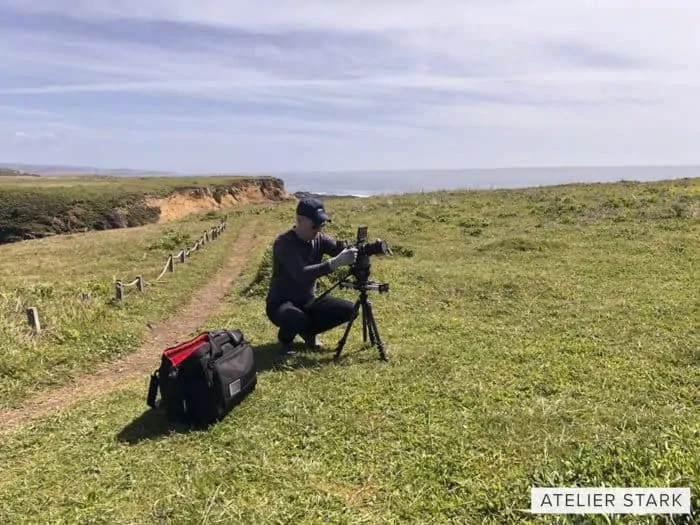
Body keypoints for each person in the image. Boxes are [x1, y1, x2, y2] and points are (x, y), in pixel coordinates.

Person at [265, 197, 359, 356]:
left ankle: (308, 332)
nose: (318, 230)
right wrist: (334, 263)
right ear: (300, 220)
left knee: (350, 310)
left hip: (308, 301)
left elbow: (339, 251)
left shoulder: (319, 238)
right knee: (293, 315)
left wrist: (362, 250)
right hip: (281, 304)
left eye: (321, 225)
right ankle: (285, 341)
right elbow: (301, 274)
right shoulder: (284, 243)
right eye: (314, 225)